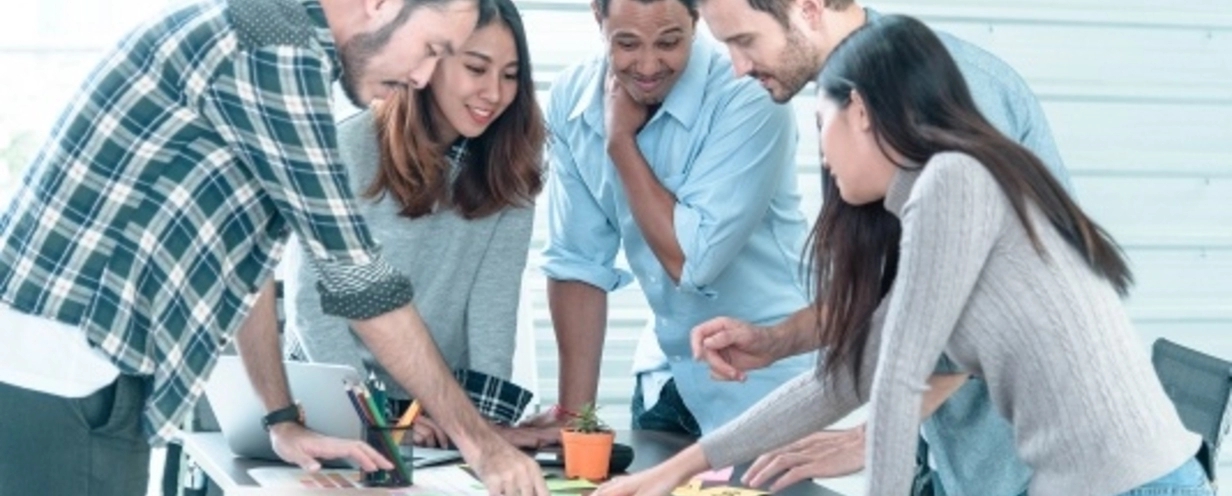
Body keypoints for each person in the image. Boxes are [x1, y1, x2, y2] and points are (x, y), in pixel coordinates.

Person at [594, 14, 1211, 496]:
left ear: (859, 112)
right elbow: (850, 377)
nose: (825, 160)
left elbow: (897, 380)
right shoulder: (932, 197)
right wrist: (677, 469)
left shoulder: (953, 181)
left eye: (822, 124)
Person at [0, 0, 549, 494]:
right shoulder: (276, 54)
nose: (423, 75)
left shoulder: (277, 40)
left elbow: (248, 266)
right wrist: (482, 446)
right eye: (431, 49)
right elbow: (358, 282)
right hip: (65, 369)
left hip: (81, 370)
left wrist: (281, 417)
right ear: (380, 5)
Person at [684, 0, 1076, 493]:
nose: (739, 69)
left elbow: (999, 305)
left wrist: (873, 434)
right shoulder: (850, 97)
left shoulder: (943, 91)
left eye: (744, 41)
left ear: (807, 8)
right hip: (960, 465)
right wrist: (778, 341)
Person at [517, 0, 815, 438]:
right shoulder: (572, 97)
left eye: (670, 42)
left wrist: (620, 142)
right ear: (598, 21)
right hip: (665, 380)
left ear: (697, 22)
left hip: (763, 386)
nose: (648, 65)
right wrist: (574, 420)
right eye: (627, 43)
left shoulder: (748, 94)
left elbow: (691, 262)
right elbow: (578, 261)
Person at [280, 0, 555, 450]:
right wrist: (372, 417)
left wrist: (479, 428)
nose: (494, 92)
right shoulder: (348, 148)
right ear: (429, 62)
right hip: (334, 401)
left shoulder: (512, 167)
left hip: (436, 406)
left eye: (510, 75)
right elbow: (311, 308)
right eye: (476, 68)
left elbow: (493, 310)